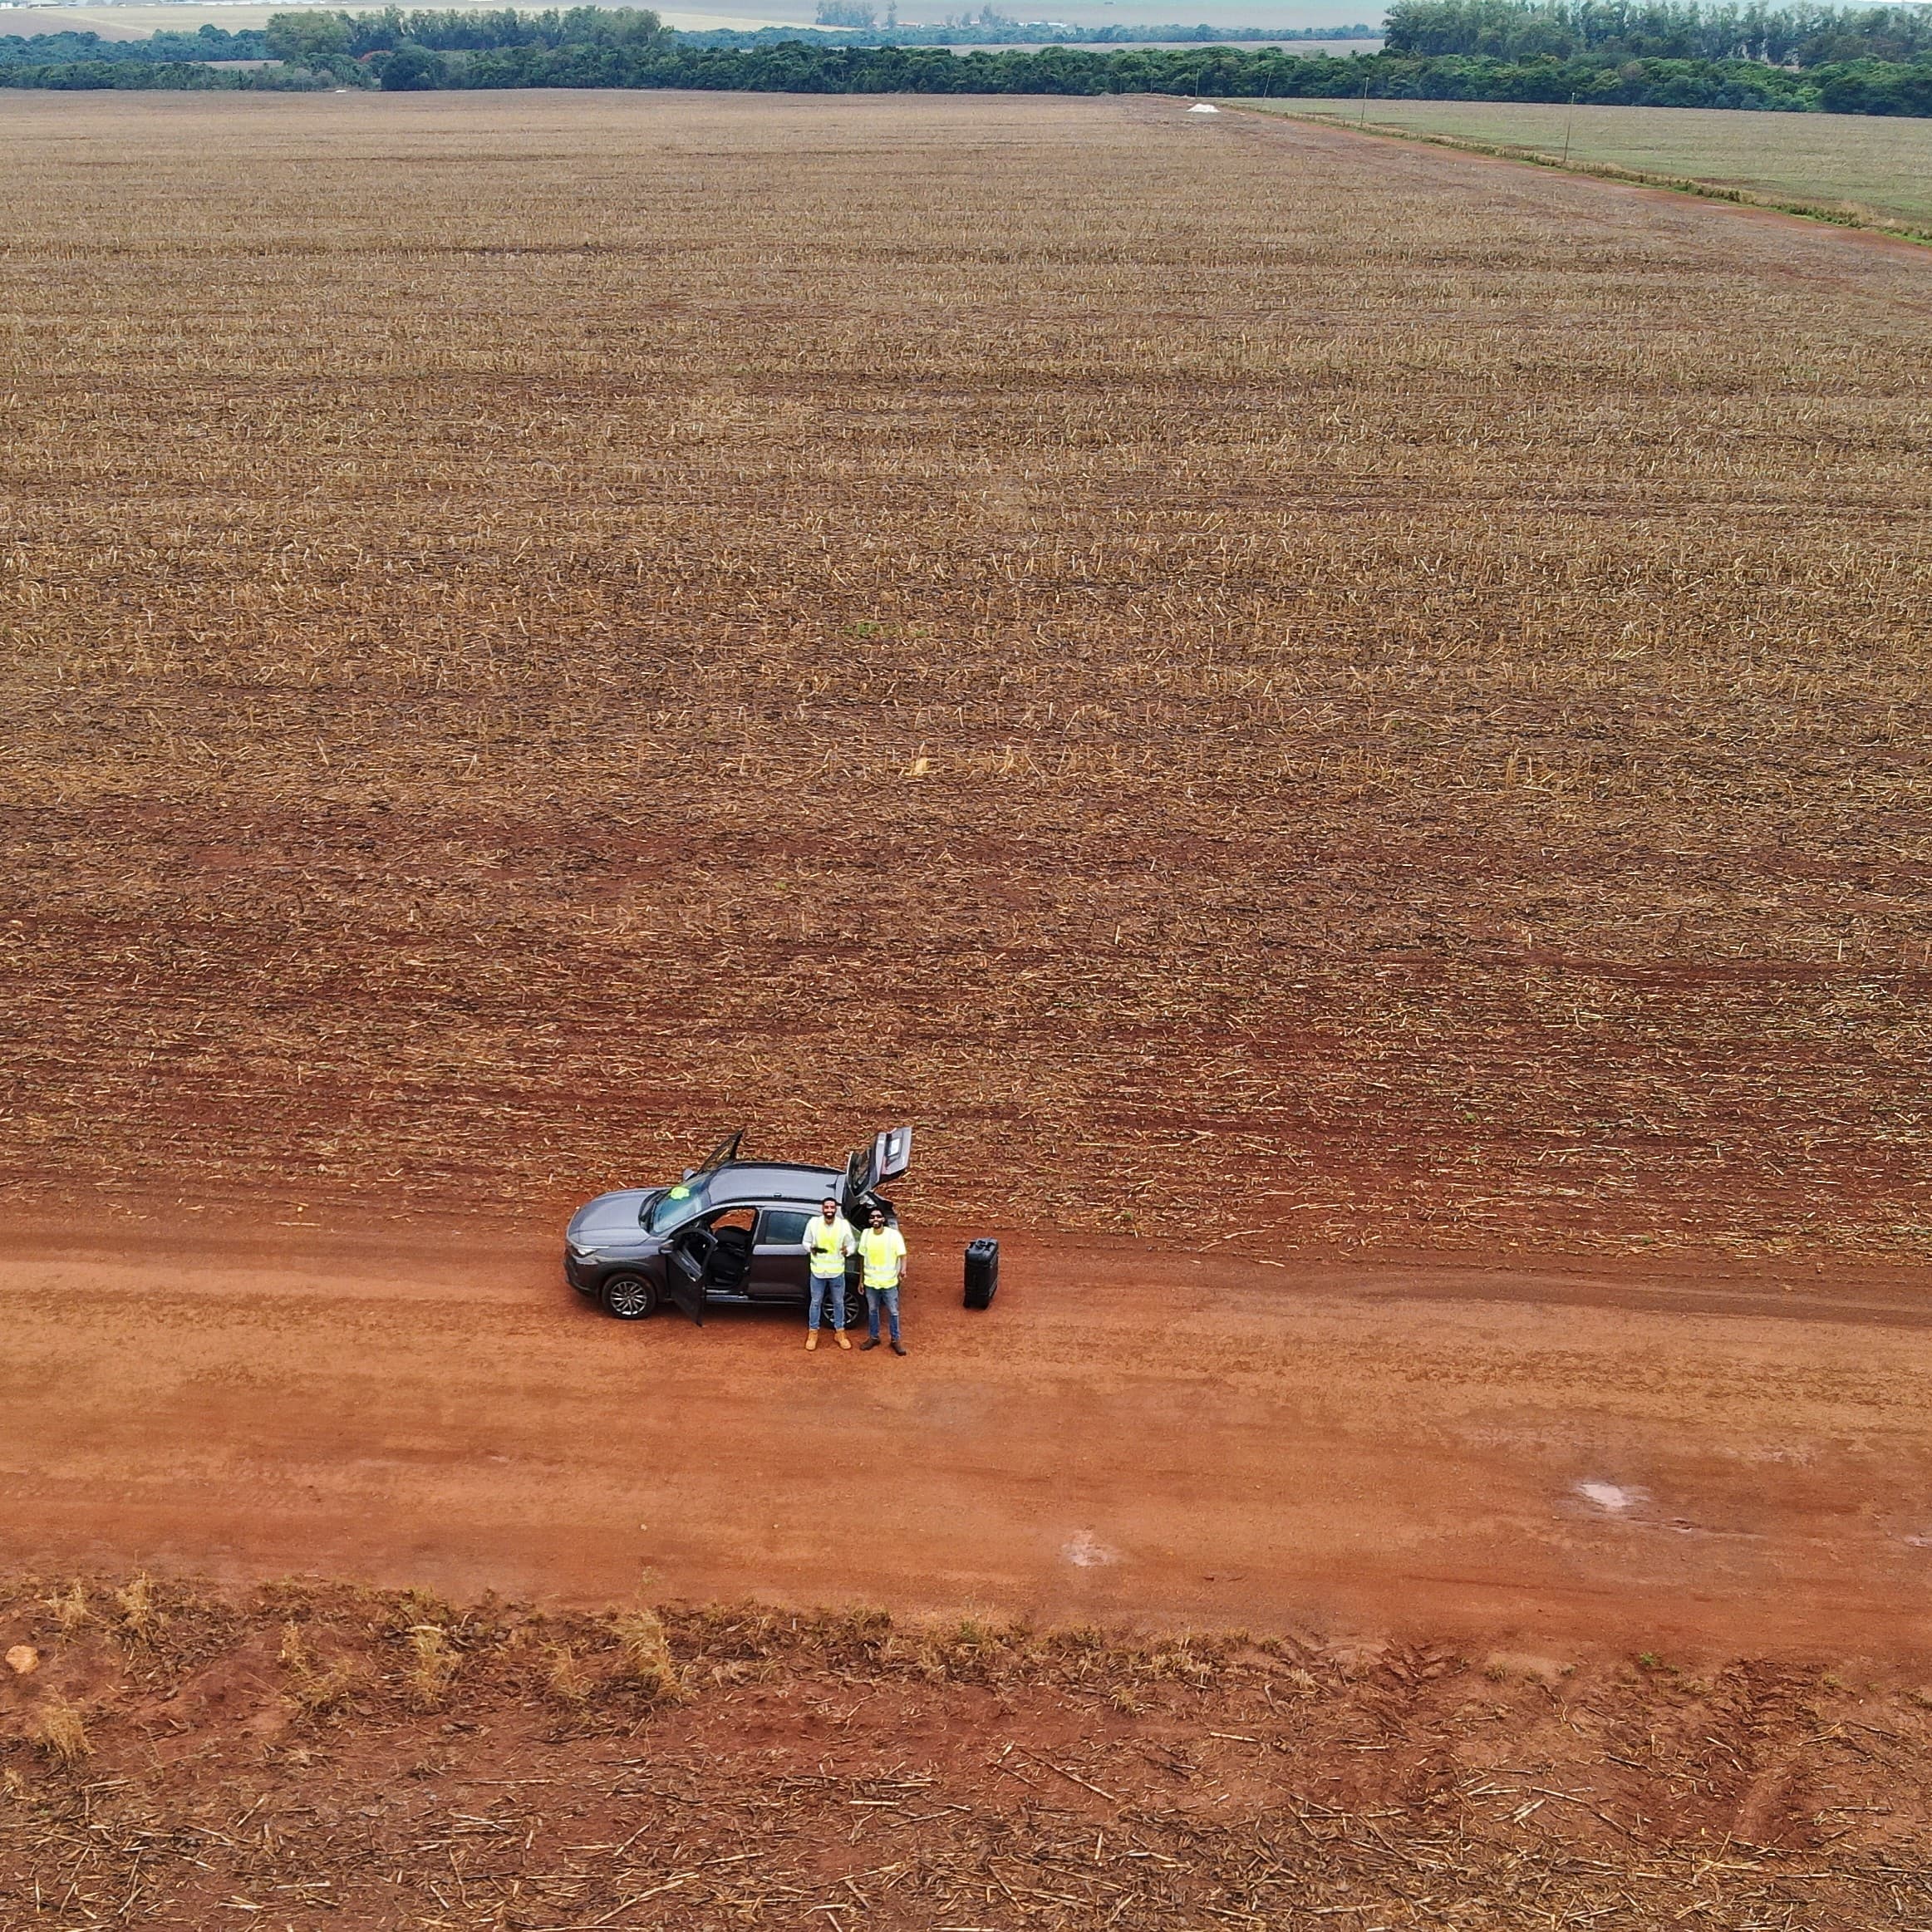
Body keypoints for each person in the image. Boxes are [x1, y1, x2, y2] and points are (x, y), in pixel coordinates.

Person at [804, 1195, 855, 1351]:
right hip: (818, 1271)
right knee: (816, 1302)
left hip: (836, 1271)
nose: (829, 1210)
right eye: (827, 1207)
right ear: (822, 1208)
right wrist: (811, 1249)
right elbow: (805, 1242)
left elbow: (852, 1244)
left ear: (836, 1209)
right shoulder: (814, 1223)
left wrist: (848, 1251)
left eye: (832, 1208)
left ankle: (840, 1332)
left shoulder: (843, 1225)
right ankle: (813, 1333)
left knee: (839, 1302)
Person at [856, 1207, 908, 1355]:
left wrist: (903, 1269)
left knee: (893, 1312)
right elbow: (862, 1258)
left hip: (889, 1282)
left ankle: (895, 1340)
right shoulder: (866, 1235)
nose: (875, 1220)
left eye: (878, 1217)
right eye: (873, 1217)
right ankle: (874, 1337)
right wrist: (861, 1280)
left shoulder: (893, 1235)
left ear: (883, 1219)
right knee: (872, 1311)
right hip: (871, 1282)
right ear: (869, 1220)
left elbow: (903, 1254)